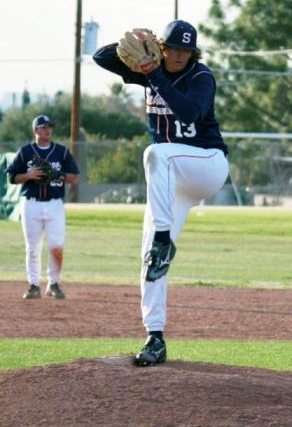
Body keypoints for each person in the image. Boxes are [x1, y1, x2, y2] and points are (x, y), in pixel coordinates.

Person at [93, 20, 229, 366]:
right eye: (174, 48)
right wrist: (139, 43)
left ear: (193, 53)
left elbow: (188, 110)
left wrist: (153, 74)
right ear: (163, 48)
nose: (180, 54)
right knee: (149, 260)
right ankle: (155, 336)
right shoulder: (149, 68)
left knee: (156, 153)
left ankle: (164, 239)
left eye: (186, 50)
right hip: (171, 178)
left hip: (206, 165)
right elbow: (101, 57)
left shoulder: (202, 77)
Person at [6, 115, 80, 300]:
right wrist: (28, 175)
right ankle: (33, 285)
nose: (48, 130)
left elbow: (73, 178)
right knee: (32, 247)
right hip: (31, 203)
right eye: (43, 127)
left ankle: (53, 284)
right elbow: (12, 178)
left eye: (49, 127)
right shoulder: (25, 152)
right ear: (35, 131)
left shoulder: (61, 152)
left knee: (56, 246)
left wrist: (57, 174)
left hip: (55, 204)